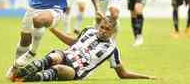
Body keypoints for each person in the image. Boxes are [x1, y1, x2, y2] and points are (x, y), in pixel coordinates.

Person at [9, 17, 156, 82]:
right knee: (56, 56)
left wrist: (146, 77)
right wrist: (52, 29)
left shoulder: (112, 49)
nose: (103, 30)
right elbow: (73, 42)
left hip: (76, 71)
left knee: (59, 68)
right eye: (102, 27)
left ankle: (27, 79)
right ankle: (21, 71)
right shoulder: (89, 30)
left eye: (107, 29)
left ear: (113, 32)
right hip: (66, 55)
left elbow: (123, 74)